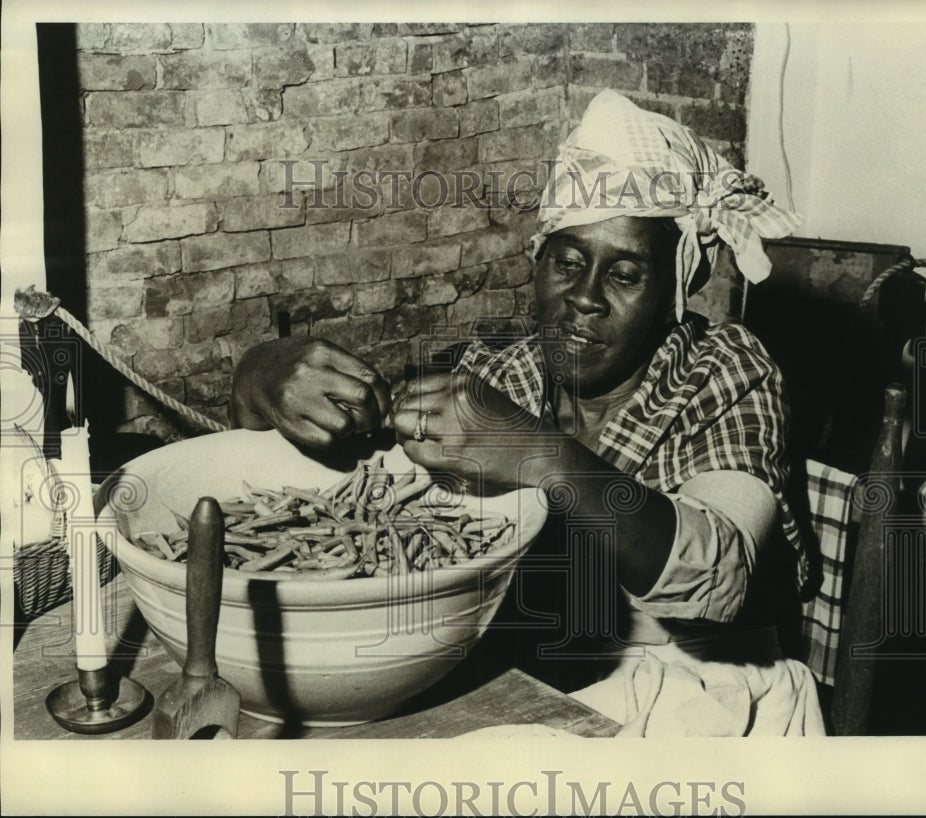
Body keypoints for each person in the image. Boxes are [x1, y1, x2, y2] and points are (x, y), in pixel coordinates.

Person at [231, 89, 826, 735]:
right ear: (536, 265)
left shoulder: (724, 370)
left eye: (626, 275)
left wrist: (536, 450)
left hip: (698, 688)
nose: (586, 298)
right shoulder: (499, 371)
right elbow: (323, 477)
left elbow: (716, 578)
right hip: (530, 668)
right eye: (567, 263)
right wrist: (263, 371)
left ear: (674, 296)